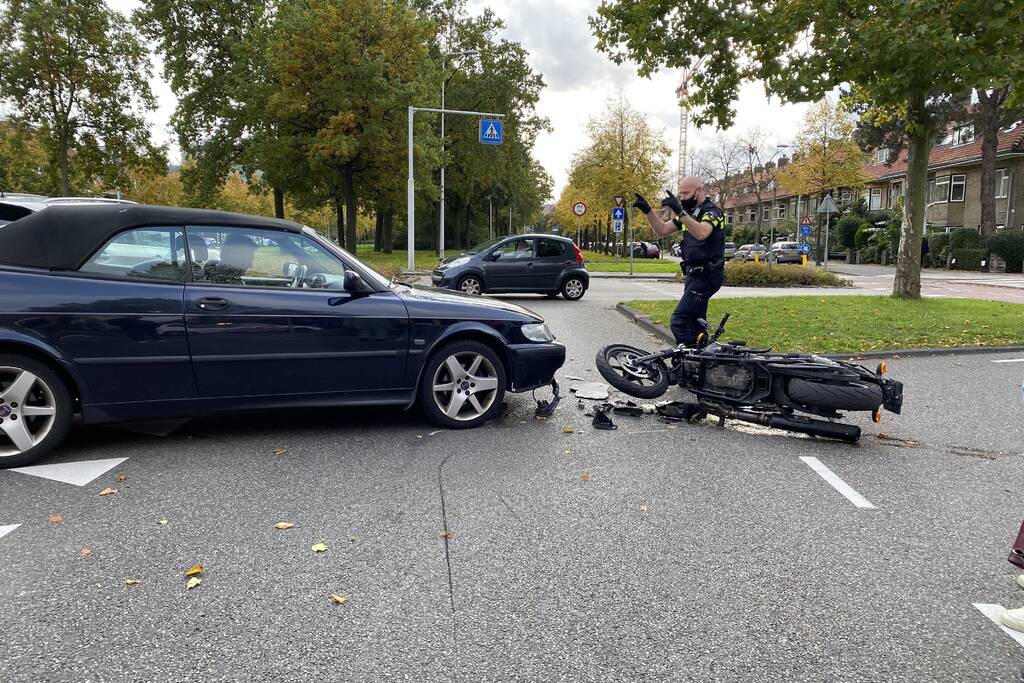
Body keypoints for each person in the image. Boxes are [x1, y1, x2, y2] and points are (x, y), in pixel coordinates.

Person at [633, 175, 726, 346]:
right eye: (680, 194)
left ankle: (692, 363)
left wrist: (680, 211)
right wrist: (647, 211)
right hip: (693, 276)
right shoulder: (689, 214)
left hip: (707, 276)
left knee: (680, 321)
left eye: (685, 193)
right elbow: (662, 228)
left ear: (699, 191)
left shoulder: (712, 212)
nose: (682, 197)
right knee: (695, 323)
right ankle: (704, 360)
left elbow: (702, 233)